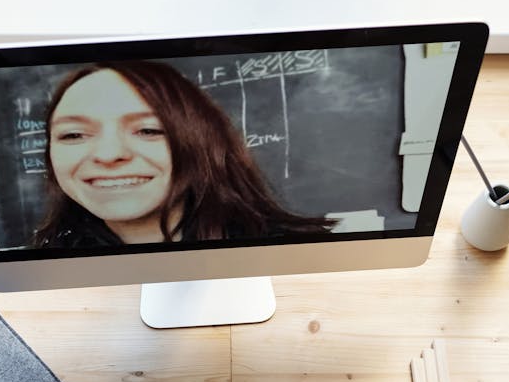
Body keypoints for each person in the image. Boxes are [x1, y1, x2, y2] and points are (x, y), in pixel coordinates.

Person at [32, 61, 335, 250]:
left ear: (199, 143)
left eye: (148, 131)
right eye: (73, 135)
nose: (109, 154)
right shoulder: (47, 276)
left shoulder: (295, 255)